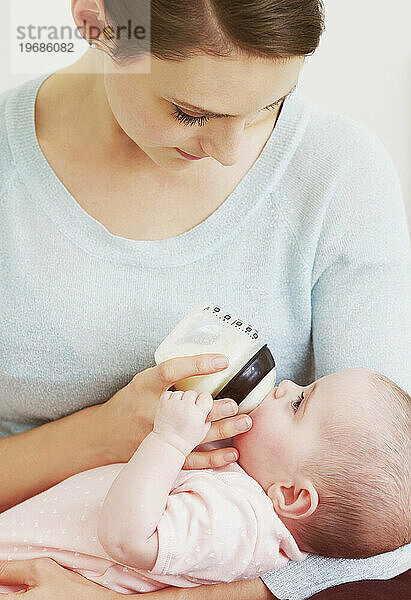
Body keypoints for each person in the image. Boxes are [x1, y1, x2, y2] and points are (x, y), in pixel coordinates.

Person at [0, 0, 410, 598]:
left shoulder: (338, 174)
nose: (230, 150)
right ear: (96, 22)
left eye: (270, 105)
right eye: (190, 112)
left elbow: (389, 516)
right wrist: (99, 436)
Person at [0, 368, 409, 596]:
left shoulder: (239, 526)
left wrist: (170, 439)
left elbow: (127, 538)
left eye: (299, 402)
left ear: (291, 495)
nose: (285, 386)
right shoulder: (244, 497)